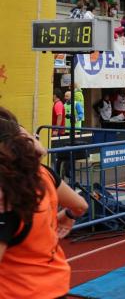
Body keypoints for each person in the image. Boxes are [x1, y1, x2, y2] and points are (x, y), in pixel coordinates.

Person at [0, 107, 89, 298]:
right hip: (55, 284)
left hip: (19, 292)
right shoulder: (43, 173)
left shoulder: (6, 196)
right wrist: (69, 215)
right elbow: (80, 205)